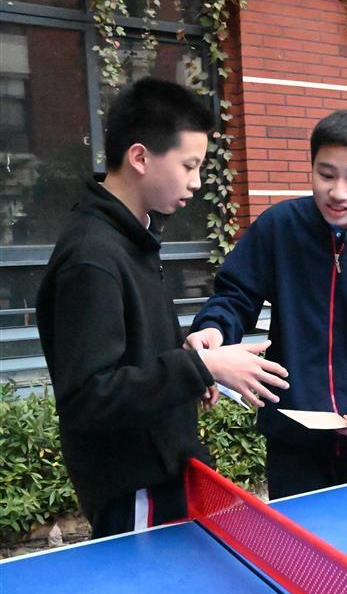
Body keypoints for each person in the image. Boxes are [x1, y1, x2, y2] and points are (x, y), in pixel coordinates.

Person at [36, 77, 290, 537]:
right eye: (189, 165)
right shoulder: (92, 257)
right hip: (136, 486)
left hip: (164, 472)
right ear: (140, 157)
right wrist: (200, 368)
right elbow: (89, 399)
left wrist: (192, 365)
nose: (196, 182)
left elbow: (138, 355)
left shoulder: (134, 237)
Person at [188, 110, 347, 499]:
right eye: (326, 175)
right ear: (312, 168)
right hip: (295, 442)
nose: (338, 192)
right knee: (297, 539)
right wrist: (214, 328)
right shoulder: (278, 228)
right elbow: (235, 295)